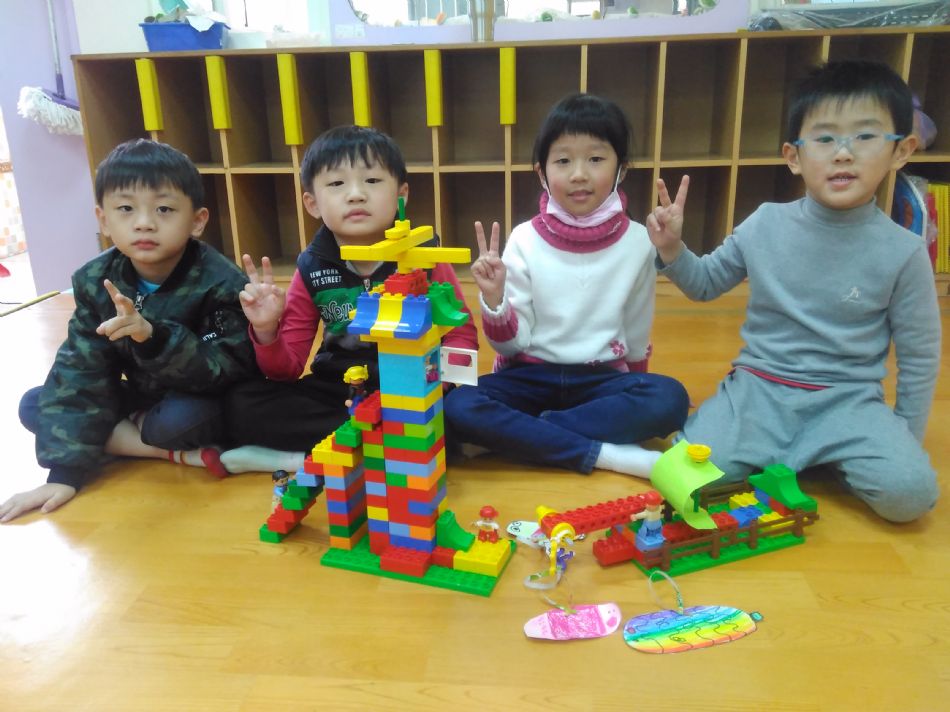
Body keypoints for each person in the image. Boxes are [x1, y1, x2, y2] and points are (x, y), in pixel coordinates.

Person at [646, 60, 939, 523]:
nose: (843, 154)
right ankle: (789, 451)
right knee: (686, 478)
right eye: (824, 139)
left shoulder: (903, 252)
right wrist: (672, 249)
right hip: (760, 392)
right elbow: (705, 284)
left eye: (865, 136)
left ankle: (823, 455)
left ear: (901, 151)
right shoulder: (765, 223)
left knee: (910, 496)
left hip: (848, 401)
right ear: (794, 156)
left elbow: (920, 357)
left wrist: (902, 437)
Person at [0, 139, 259, 523]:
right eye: (125, 209)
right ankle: (163, 451)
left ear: (197, 220)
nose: (144, 222)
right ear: (104, 219)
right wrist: (64, 475)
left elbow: (225, 369)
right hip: (139, 395)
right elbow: (81, 369)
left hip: (196, 396)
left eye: (164, 209)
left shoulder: (220, 282)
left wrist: (153, 338)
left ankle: (131, 438)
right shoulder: (96, 280)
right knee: (36, 403)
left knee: (181, 421)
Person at [443, 93, 690, 477]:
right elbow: (510, 345)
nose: (579, 174)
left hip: (600, 380)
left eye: (596, 159)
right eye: (563, 161)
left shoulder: (639, 241)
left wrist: (637, 385)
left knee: (669, 399)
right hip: (527, 376)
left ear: (621, 169)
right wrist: (494, 300)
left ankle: (524, 435)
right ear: (542, 173)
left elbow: (637, 331)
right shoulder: (524, 239)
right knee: (457, 406)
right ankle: (606, 454)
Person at [220, 125, 478, 474]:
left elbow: (461, 334)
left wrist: (434, 385)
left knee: (462, 412)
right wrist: (266, 330)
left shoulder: (424, 257)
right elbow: (286, 369)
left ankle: (326, 455)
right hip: (339, 389)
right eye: (337, 183)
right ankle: (350, 453)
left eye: (372, 181)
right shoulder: (311, 266)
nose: (356, 195)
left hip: (414, 386)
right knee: (241, 406)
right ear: (312, 203)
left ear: (401, 195)